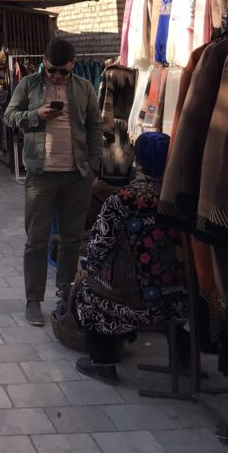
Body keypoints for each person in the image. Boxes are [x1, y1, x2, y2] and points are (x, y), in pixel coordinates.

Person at [73, 131, 188, 384]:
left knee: (88, 294)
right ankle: (184, 360)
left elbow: (98, 246)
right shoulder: (185, 198)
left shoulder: (123, 199)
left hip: (134, 299)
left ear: (139, 161)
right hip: (181, 297)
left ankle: (104, 364)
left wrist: (90, 269)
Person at [4, 37, 103, 327]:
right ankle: (33, 300)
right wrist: (37, 115)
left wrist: (94, 163)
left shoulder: (84, 88)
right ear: (44, 63)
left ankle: (65, 294)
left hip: (77, 176)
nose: (58, 76)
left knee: (72, 238)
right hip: (41, 175)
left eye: (64, 71)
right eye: (53, 71)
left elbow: (95, 126)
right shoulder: (29, 86)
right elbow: (10, 116)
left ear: (73, 65)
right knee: (36, 240)